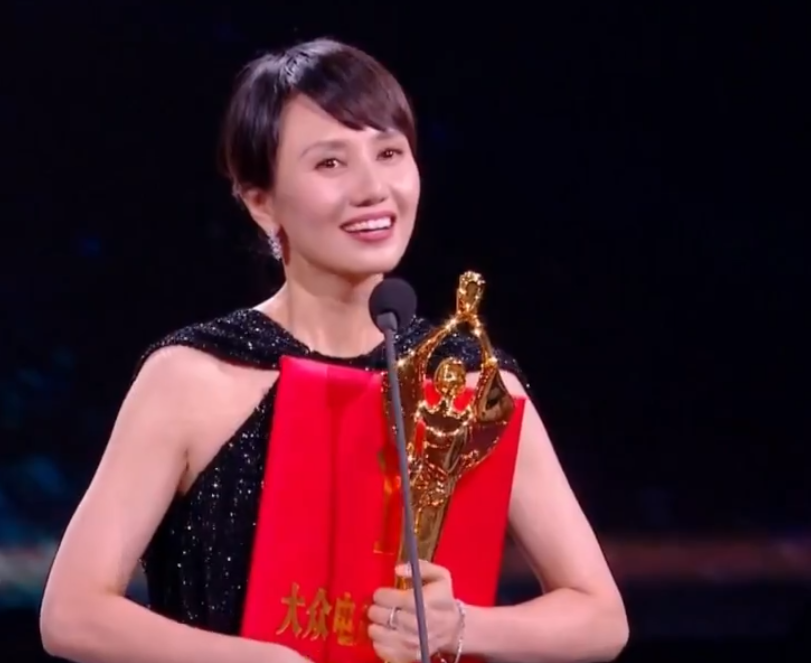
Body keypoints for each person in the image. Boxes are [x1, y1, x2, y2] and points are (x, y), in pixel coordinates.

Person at [39, 38, 628, 663]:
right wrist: (261, 661)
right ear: (261, 201)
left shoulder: (469, 386)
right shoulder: (192, 379)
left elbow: (600, 618)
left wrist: (462, 627)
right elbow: (73, 613)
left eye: (389, 153)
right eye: (330, 163)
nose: (373, 188)